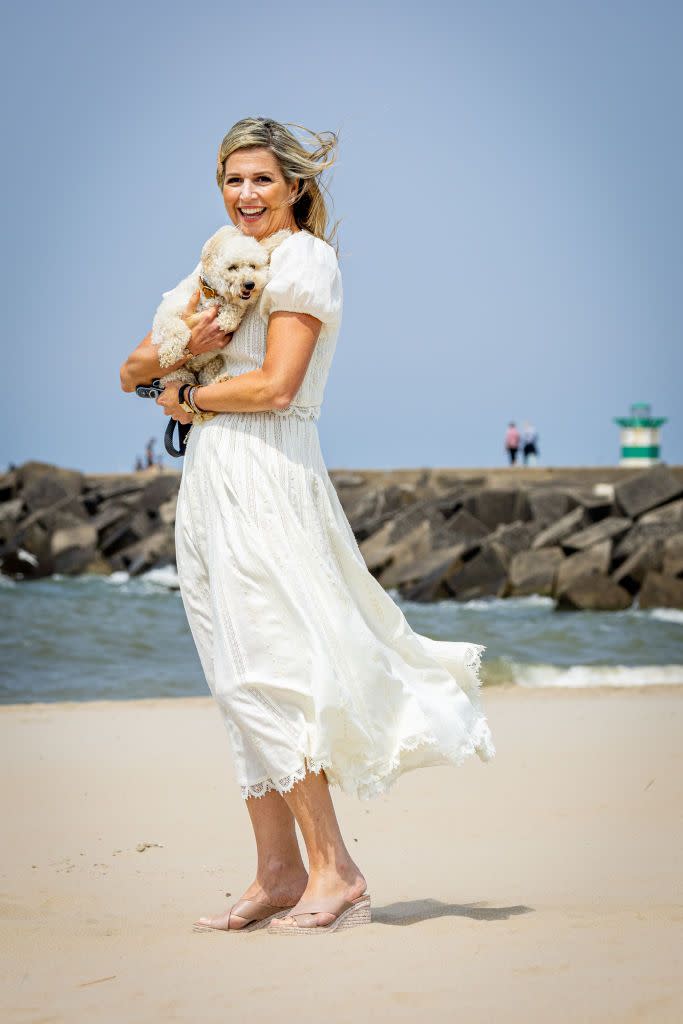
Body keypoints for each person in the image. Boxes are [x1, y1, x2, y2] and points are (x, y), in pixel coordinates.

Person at [119, 117, 495, 935]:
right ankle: (278, 870)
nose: (245, 195)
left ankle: (337, 869)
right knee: (231, 673)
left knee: (271, 666)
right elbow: (130, 368)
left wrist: (183, 395)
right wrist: (197, 350)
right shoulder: (214, 257)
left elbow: (277, 386)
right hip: (209, 479)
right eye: (231, 179)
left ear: (294, 185)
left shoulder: (303, 260)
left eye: (260, 179)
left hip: (269, 470)